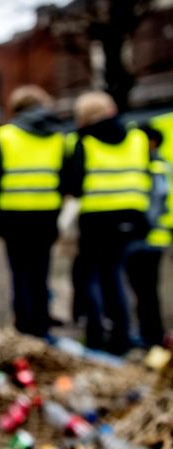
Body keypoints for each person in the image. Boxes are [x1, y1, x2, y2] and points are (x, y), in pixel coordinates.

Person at [67, 91, 150, 354]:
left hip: (97, 220)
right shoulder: (137, 138)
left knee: (91, 278)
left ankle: (96, 335)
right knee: (115, 276)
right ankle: (122, 336)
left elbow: (75, 186)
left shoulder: (83, 141)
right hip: (131, 219)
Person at [0, 86, 66, 338]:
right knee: (41, 273)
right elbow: (65, 179)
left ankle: (23, 328)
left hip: (14, 216)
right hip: (47, 215)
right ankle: (42, 327)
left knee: (20, 274)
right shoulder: (58, 137)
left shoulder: (5, 136)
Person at [124, 125, 171, 348]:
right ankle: (149, 334)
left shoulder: (152, 166)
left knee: (146, 292)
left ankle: (151, 337)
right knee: (144, 292)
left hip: (148, 240)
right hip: (150, 239)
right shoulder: (155, 164)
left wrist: (141, 226)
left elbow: (157, 200)